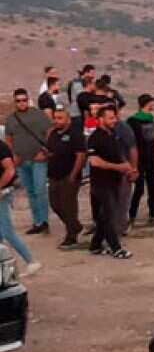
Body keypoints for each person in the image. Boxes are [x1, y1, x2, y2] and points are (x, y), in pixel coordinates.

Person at [86, 105, 135, 259]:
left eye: (115, 117)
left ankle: (95, 245)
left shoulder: (113, 134)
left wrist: (128, 168)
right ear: (101, 119)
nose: (115, 120)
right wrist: (119, 167)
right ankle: (116, 248)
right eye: (111, 118)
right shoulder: (95, 138)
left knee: (104, 216)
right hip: (101, 183)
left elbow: (118, 155)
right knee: (108, 216)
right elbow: (94, 162)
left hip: (114, 182)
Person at [4, 88, 53, 235]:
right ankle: (37, 221)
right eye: (18, 101)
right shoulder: (11, 119)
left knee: (40, 190)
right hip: (21, 161)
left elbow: (50, 133)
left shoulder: (39, 115)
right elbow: (8, 139)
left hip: (38, 159)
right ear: (15, 102)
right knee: (31, 192)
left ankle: (44, 222)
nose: (21, 103)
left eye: (24, 100)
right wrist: (13, 156)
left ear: (28, 99)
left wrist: (44, 151)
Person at [0, 129, 40, 275]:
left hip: (3, 193)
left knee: (7, 232)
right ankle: (8, 270)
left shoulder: (1, 147)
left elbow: (10, 170)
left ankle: (31, 261)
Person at [46, 106, 86, 249]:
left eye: (60, 118)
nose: (56, 121)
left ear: (68, 119)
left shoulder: (75, 134)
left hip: (68, 175)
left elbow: (81, 155)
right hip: (53, 176)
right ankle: (75, 225)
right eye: (55, 118)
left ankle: (71, 237)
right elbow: (50, 151)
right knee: (55, 204)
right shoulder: (52, 133)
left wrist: (74, 174)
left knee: (68, 205)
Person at [128, 94, 154, 227]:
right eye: (152, 102)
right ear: (147, 103)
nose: (153, 104)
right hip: (139, 158)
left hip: (151, 157)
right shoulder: (133, 120)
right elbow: (131, 142)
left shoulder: (151, 118)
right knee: (139, 188)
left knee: (153, 186)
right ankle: (132, 213)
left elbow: (151, 139)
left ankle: (153, 213)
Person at [112, 88, 139, 237]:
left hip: (123, 170)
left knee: (121, 202)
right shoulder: (100, 129)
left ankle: (119, 229)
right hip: (107, 171)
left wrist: (134, 169)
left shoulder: (123, 128)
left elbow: (133, 149)